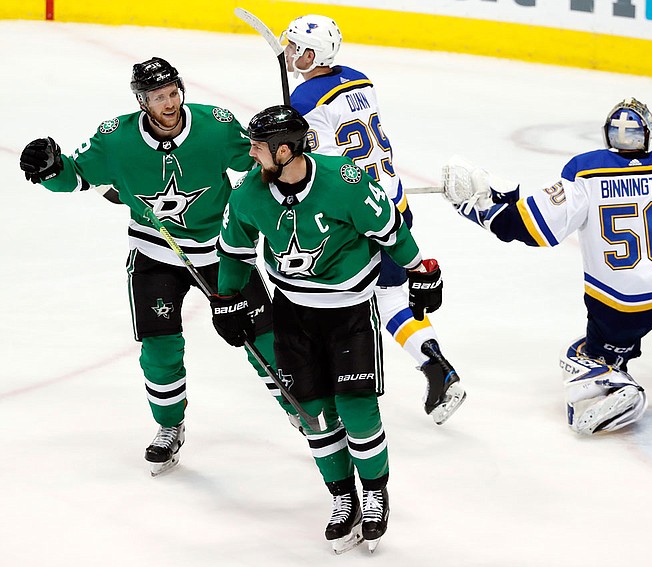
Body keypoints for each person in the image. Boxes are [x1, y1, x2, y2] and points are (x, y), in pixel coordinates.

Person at [442, 97, 652, 435]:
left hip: (615, 312)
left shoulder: (584, 172)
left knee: (585, 354)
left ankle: (605, 377)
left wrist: (479, 209)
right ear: (648, 134)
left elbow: (525, 227)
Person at [18, 56, 287, 475]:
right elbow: (75, 176)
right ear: (142, 101)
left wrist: (287, 158)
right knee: (160, 349)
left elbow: (257, 162)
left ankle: (299, 406)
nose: (169, 103)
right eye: (158, 97)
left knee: (264, 337)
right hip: (155, 253)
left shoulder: (215, 124)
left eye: (173, 93)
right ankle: (169, 425)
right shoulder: (115, 138)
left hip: (221, 251)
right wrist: (51, 169)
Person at [210, 105, 443, 553]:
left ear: (284, 150)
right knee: (313, 414)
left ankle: (375, 493)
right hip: (292, 314)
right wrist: (227, 301)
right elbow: (234, 252)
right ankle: (343, 498)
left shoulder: (345, 181)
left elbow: (391, 232)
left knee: (355, 407)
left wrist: (420, 271)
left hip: (349, 313)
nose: (249, 152)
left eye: (258, 146)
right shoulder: (248, 196)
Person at [277, 14, 466, 425]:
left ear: (311, 55)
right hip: (391, 201)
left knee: (345, 302)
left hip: (359, 214)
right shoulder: (360, 79)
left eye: (294, 47)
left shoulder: (305, 102)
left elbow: (319, 164)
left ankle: (336, 390)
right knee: (390, 294)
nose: (288, 52)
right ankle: (435, 366)